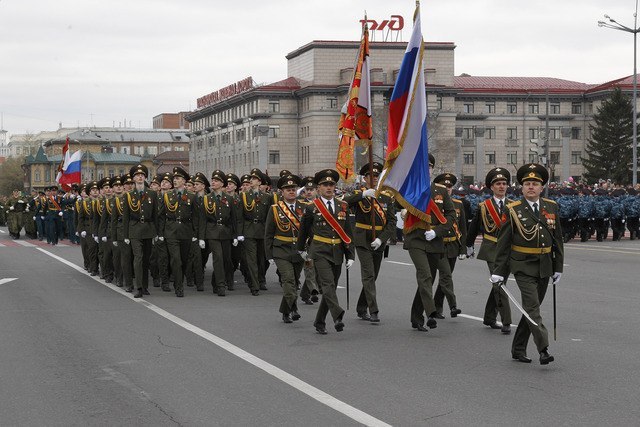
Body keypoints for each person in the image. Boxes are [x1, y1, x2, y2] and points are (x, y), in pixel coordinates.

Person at [492, 163, 563, 365]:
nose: (531, 187)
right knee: (533, 309)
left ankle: (518, 348)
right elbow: (503, 243)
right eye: (527, 184)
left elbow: (557, 240)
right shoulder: (513, 209)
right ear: (522, 188)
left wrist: (558, 267)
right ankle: (543, 349)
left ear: (542, 188)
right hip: (523, 266)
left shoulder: (551, 207)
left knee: (531, 310)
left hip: (545, 266)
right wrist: (498, 271)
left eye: (535, 184)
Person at [297, 169, 355, 334]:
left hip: (337, 251)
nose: (329, 187)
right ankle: (337, 315)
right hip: (319, 250)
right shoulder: (311, 208)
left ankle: (319, 321)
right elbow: (303, 231)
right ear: (318, 188)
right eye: (325, 185)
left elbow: (348, 233)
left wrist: (350, 255)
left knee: (332, 287)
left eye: (331, 184)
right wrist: (301, 250)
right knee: (327, 284)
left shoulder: (343, 206)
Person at [403, 154, 456, 332]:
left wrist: (437, 232)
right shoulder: (410, 188)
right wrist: (403, 209)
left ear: (432, 170)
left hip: (434, 238)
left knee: (429, 280)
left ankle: (416, 317)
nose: (426, 170)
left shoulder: (440, 191)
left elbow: (450, 215)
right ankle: (431, 312)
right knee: (424, 275)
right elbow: (396, 205)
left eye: (429, 167)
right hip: (416, 237)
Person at [342, 162, 396, 323]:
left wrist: (381, 238)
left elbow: (392, 222)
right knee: (368, 275)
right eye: (370, 176)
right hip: (362, 239)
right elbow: (345, 203)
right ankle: (373, 310)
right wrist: (363, 195)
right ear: (364, 178)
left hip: (379, 239)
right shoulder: (360, 194)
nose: (373, 179)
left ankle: (361, 307)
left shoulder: (386, 197)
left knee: (374, 276)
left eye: (376, 176)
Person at [466, 167, 513, 334]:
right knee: (499, 284)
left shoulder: (514, 206)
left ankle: (489, 317)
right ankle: (506, 321)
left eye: (504, 183)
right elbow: (473, 227)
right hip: (491, 248)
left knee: (499, 284)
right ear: (491, 187)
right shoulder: (483, 206)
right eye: (498, 184)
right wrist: (469, 245)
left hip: (509, 250)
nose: (501, 186)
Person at [265, 173, 306, 323]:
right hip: (281, 250)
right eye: (287, 189)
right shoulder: (275, 209)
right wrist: (269, 255)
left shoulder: (304, 207)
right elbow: (268, 233)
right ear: (281, 192)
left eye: (293, 188)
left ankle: (285, 310)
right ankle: (293, 308)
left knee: (294, 282)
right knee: (288, 280)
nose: (291, 191)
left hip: (299, 250)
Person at [158, 166, 198, 298]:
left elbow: (196, 216)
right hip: (171, 231)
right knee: (176, 260)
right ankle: (179, 286)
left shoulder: (192, 196)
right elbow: (162, 215)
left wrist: (195, 233)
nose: (175, 180)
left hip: (186, 232)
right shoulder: (167, 195)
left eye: (178, 178)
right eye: (174, 178)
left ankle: (178, 280)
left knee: (184, 260)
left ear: (184, 181)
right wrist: (161, 233)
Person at [198, 170, 238, 296]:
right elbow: (203, 219)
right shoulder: (206, 199)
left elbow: (233, 219)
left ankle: (215, 281)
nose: (213, 182)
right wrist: (201, 238)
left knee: (226, 259)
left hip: (226, 232)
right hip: (212, 232)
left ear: (222, 184)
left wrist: (235, 236)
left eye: (216, 181)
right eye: (212, 180)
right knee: (218, 257)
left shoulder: (229, 199)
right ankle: (221, 286)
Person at [432, 173, 466, 318]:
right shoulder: (433, 204)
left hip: (453, 245)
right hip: (438, 245)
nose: (447, 189)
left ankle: (437, 307)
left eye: (450, 187)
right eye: (444, 186)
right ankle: (453, 306)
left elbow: (463, 228)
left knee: (445, 279)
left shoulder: (458, 204)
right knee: (446, 277)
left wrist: (463, 248)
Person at [122, 164, 159, 298]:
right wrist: (126, 235)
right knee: (138, 258)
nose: (140, 177)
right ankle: (138, 287)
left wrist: (157, 233)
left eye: (142, 175)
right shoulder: (128, 196)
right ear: (133, 178)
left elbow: (155, 215)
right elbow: (125, 217)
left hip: (148, 229)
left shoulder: (152, 194)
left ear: (145, 177)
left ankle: (144, 286)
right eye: (137, 175)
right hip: (134, 229)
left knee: (146, 259)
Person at [238, 168, 272, 295]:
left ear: (259, 182)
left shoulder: (267, 197)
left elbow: (270, 217)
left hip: (262, 230)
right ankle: (254, 285)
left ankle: (261, 279)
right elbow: (240, 216)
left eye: (253, 179)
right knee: (251, 259)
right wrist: (240, 233)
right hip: (249, 229)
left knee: (262, 258)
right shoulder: (244, 196)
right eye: (250, 179)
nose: (250, 181)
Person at [297, 176, 320, 305]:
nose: (309, 192)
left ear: (317, 190)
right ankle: (313, 291)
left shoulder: (323, 203)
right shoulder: (301, 204)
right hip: (309, 241)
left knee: (317, 270)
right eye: (307, 189)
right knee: (310, 267)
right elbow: (303, 228)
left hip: (322, 242)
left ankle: (305, 293)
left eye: (312, 189)